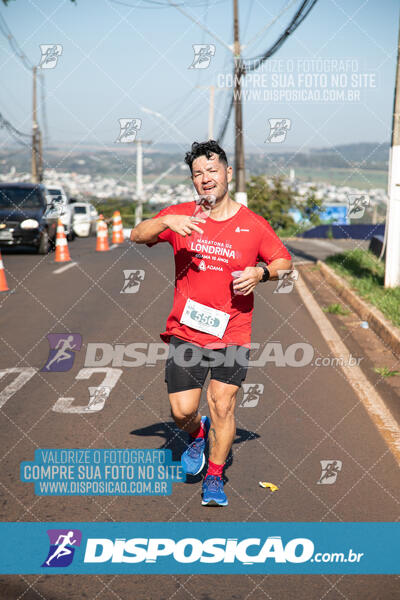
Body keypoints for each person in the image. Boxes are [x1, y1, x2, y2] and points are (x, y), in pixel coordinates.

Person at [130, 140, 292, 506]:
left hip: (232, 332)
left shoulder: (252, 225)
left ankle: (215, 477)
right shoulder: (181, 215)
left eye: (212, 170)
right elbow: (137, 235)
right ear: (192, 180)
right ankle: (198, 434)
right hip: (187, 332)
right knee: (182, 411)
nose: (206, 179)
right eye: (198, 174)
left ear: (228, 173)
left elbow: (285, 262)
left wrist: (261, 271)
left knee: (223, 405)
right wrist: (165, 221)